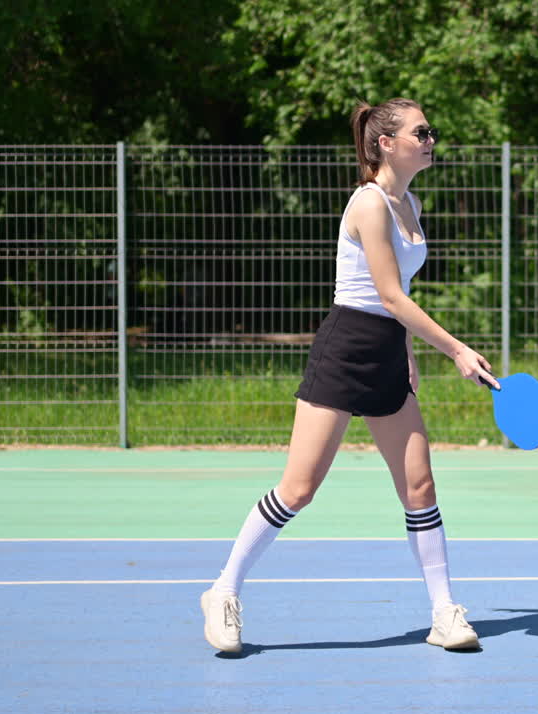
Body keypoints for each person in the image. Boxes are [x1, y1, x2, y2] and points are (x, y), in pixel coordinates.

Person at [200, 98, 499, 654]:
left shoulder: (409, 202)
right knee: (299, 488)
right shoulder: (369, 204)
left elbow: (400, 298)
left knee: (420, 487)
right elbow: (384, 293)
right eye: (422, 132)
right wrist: (455, 349)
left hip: (387, 349)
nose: (432, 139)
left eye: (432, 131)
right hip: (346, 348)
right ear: (386, 143)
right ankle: (223, 591)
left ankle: (443, 612)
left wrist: (406, 349)